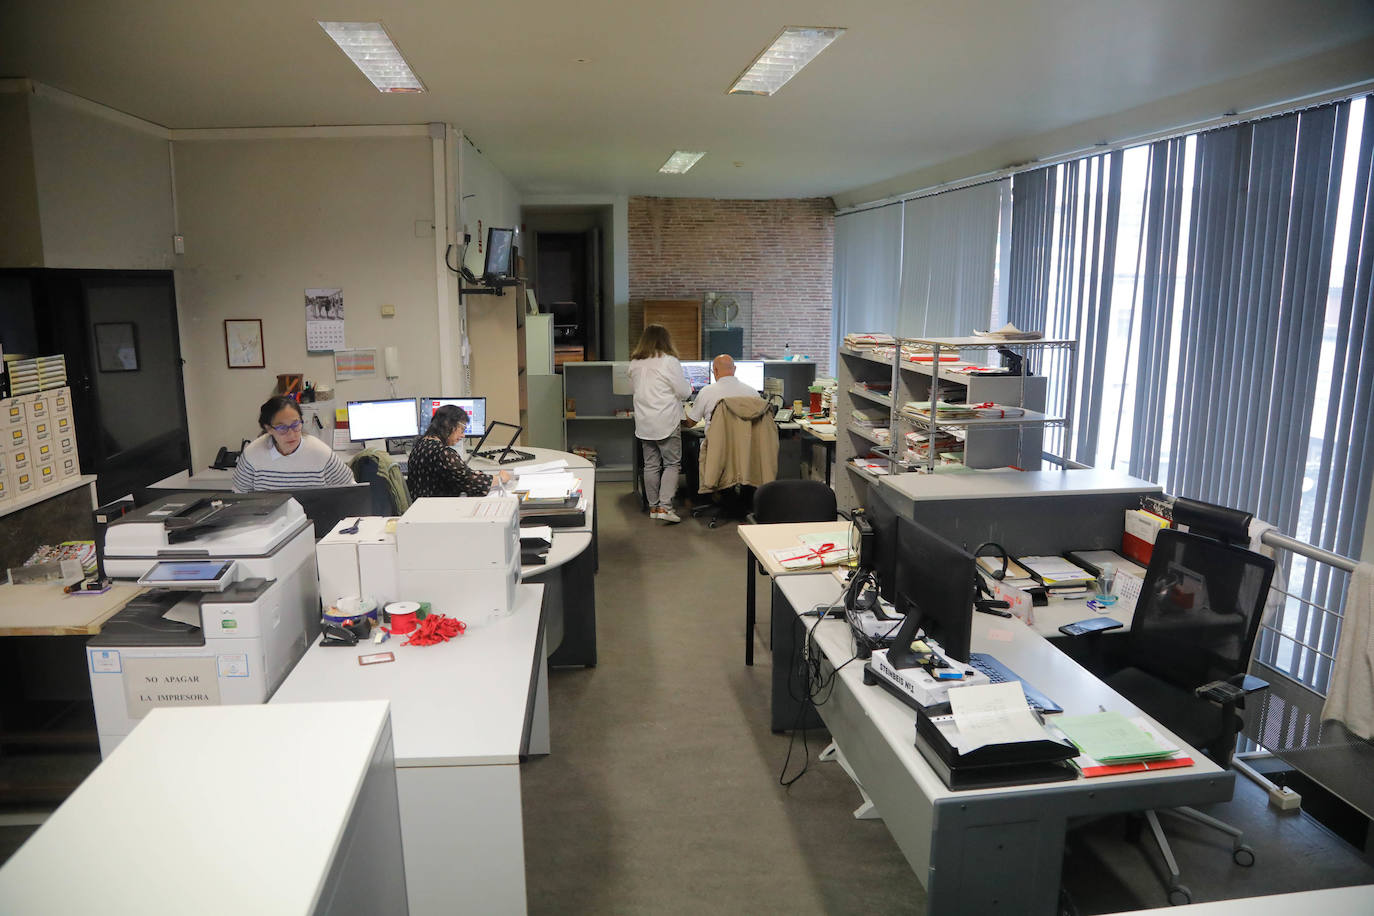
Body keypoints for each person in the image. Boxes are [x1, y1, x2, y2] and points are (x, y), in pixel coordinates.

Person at [628, 324, 691, 524]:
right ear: (666, 340)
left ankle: (654, 507)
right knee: (672, 464)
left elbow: (635, 389)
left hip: (645, 422)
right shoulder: (669, 361)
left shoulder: (635, 363)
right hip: (666, 420)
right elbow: (684, 392)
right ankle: (666, 507)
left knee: (651, 465)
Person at [232, 395, 355, 492]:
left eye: (295, 425)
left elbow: (350, 490)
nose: (291, 434)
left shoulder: (321, 453)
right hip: (268, 522)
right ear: (268, 428)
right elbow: (240, 496)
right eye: (282, 428)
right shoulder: (252, 454)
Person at [406, 404, 512, 499]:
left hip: (420, 507)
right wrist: (499, 479)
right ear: (449, 426)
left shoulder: (420, 444)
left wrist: (471, 474)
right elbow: (470, 481)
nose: (463, 435)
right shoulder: (443, 453)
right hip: (438, 511)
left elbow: (458, 475)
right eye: (461, 430)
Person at [686, 355, 764, 434]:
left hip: (716, 444)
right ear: (735, 369)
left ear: (715, 370)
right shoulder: (754, 393)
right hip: (745, 444)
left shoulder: (706, 392)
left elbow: (690, 423)